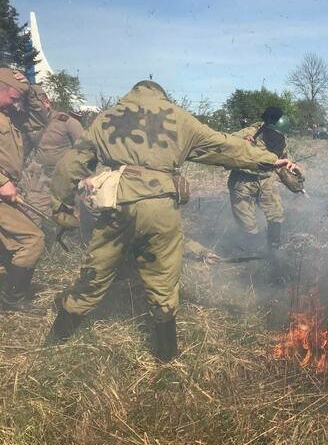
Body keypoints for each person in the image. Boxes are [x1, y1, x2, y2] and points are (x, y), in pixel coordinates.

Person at [47, 80, 299, 361]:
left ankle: (53, 345)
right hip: (161, 208)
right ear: (161, 96)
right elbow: (225, 147)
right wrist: (270, 160)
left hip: (119, 204)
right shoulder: (179, 117)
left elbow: (70, 165)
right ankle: (166, 357)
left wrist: (61, 206)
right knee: (164, 281)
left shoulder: (106, 118)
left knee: (95, 273)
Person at [0, 67, 45, 311]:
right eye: (14, 98)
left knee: (10, 245)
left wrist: (28, 92)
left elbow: (39, 121)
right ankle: (12, 300)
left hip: (6, 191)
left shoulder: (8, 114)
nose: (17, 104)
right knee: (31, 239)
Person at [19, 84, 84, 222]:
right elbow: (22, 152)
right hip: (34, 176)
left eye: (36, 108)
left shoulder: (68, 123)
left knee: (36, 216)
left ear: (47, 103)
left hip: (57, 179)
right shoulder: (30, 124)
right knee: (24, 212)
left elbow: (85, 153)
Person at [228, 106, 289, 252]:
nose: (277, 137)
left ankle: (273, 250)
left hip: (266, 180)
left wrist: (297, 182)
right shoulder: (249, 132)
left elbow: (284, 162)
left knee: (276, 214)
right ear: (267, 127)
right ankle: (251, 253)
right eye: (274, 133)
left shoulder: (281, 140)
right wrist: (242, 143)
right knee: (247, 223)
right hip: (243, 181)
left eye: (280, 134)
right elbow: (226, 143)